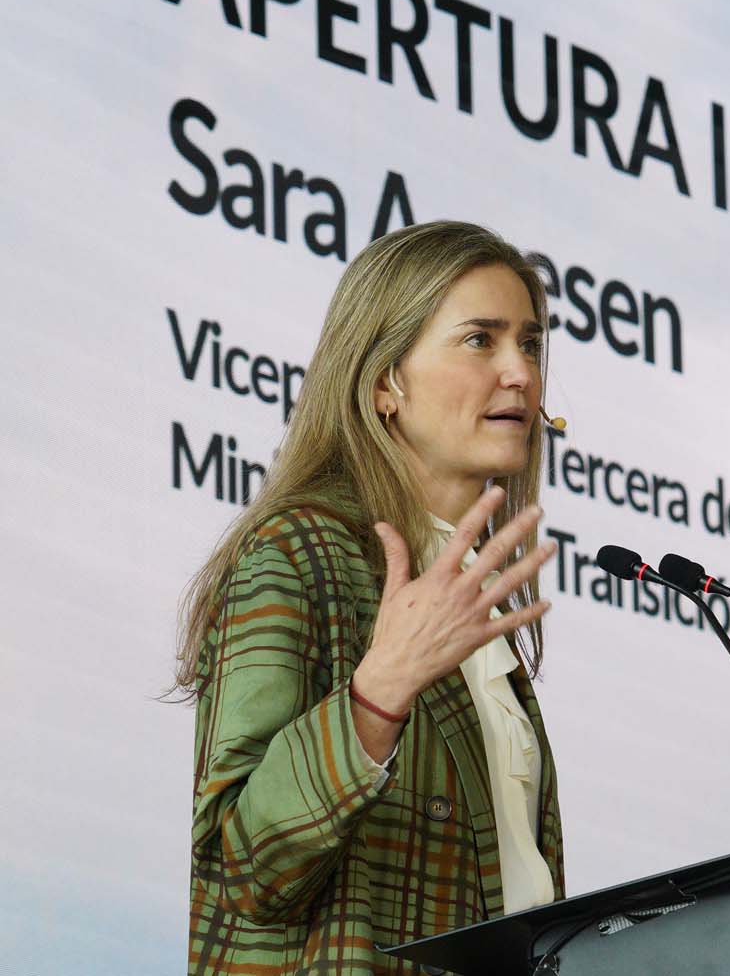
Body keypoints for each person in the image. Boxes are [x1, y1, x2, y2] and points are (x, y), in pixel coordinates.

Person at [175, 221, 564, 974]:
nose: (520, 372)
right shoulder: (297, 553)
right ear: (386, 380)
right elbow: (240, 871)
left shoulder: (468, 601)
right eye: (481, 340)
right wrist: (377, 697)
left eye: (531, 344)